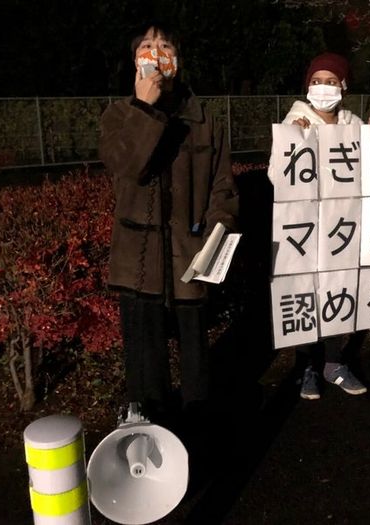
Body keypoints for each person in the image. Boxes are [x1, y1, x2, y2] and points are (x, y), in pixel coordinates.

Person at [99, 23, 238, 420]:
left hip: (189, 253)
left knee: (196, 356)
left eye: (165, 46)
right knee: (145, 363)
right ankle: (150, 428)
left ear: (179, 59)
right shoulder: (119, 114)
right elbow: (129, 167)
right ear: (134, 60)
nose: (156, 53)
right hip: (137, 259)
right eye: (146, 45)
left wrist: (216, 233)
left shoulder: (204, 119)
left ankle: (198, 427)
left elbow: (222, 185)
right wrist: (145, 108)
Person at [276, 52, 370, 400]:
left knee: (338, 292)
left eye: (330, 81)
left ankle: (333, 362)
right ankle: (306, 367)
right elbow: (276, 177)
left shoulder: (353, 124)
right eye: (316, 81)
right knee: (306, 295)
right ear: (307, 86)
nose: (323, 88)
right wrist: (293, 140)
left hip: (342, 226)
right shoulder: (294, 121)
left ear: (344, 86)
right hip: (305, 230)